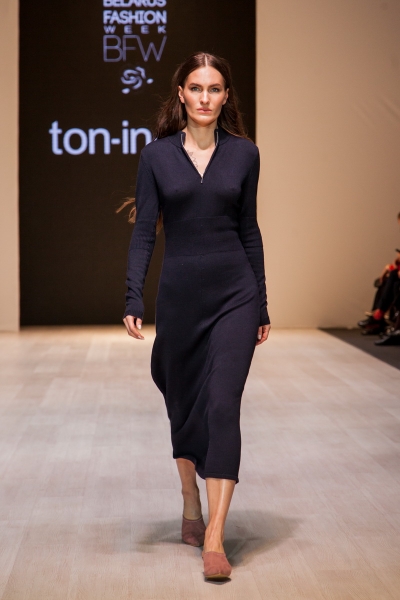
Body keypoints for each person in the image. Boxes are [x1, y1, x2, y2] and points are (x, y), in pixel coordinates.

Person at [122, 52, 271, 581]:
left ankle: (214, 537)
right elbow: (144, 232)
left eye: (215, 88)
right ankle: (190, 499)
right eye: (196, 87)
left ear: (226, 96)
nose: (205, 97)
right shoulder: (156, 156)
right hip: (181, 300)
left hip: (235, 295)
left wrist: (261, 301)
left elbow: (249, 228)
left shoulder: (245, 154)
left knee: (223, 405)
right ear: (181, 94)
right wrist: (133, 297)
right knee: (183, 404)